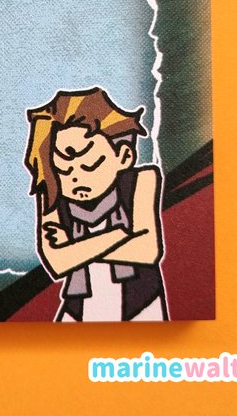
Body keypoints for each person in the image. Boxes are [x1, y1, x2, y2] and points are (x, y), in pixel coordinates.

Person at [24, 87, 167, 322]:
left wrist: (75, 250)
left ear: (124, 156)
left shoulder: (141, 180)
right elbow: (57, 263)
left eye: (90, 166)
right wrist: (121, 234)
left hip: (142, 307)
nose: (76, 178)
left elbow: (148, 250)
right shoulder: (51, 193)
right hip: (79, 311)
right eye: (63, 171)